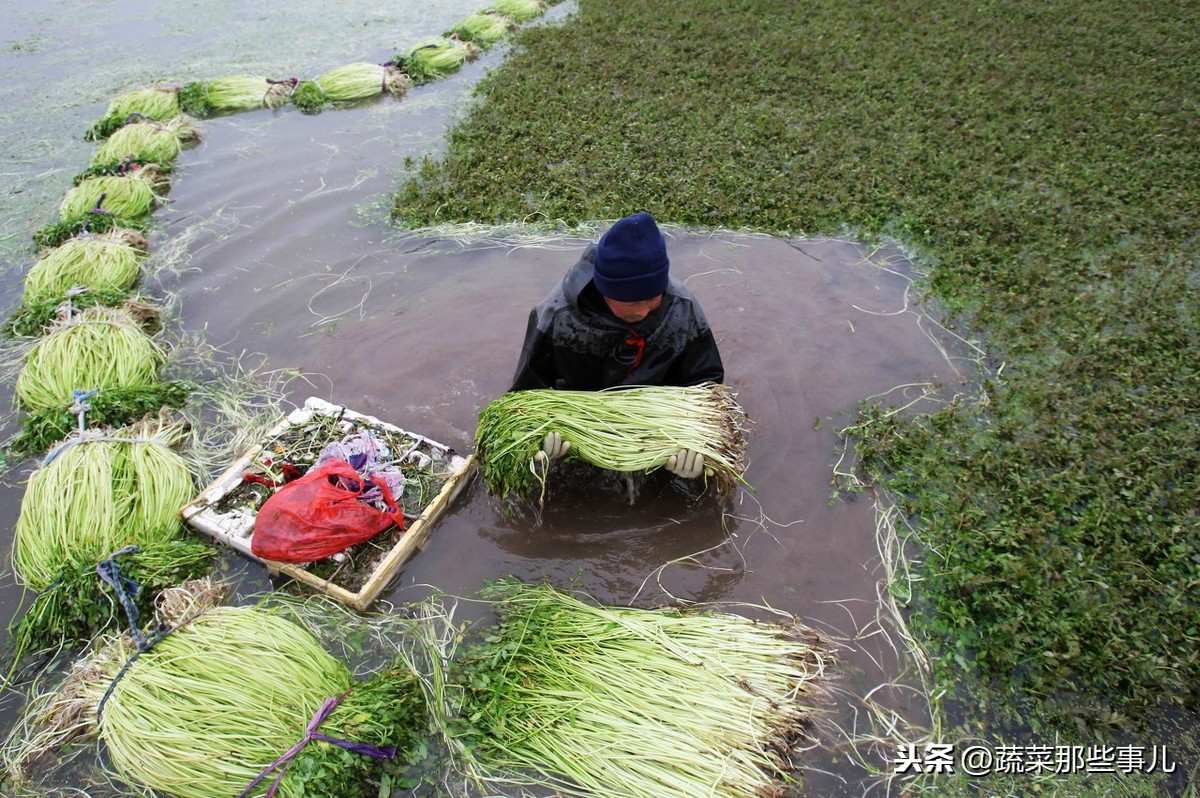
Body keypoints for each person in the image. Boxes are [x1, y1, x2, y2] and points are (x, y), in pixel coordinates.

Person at [510, 211, 724, 480]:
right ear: (604, 289)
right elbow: (525, 395)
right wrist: (539, 437)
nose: (645, 312)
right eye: (632, 303)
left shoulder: (682, 307)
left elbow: (706, 384)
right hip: (584, 429)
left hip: (654, 431)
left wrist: (694, 441)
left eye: (652, 299)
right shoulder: (556, 315)